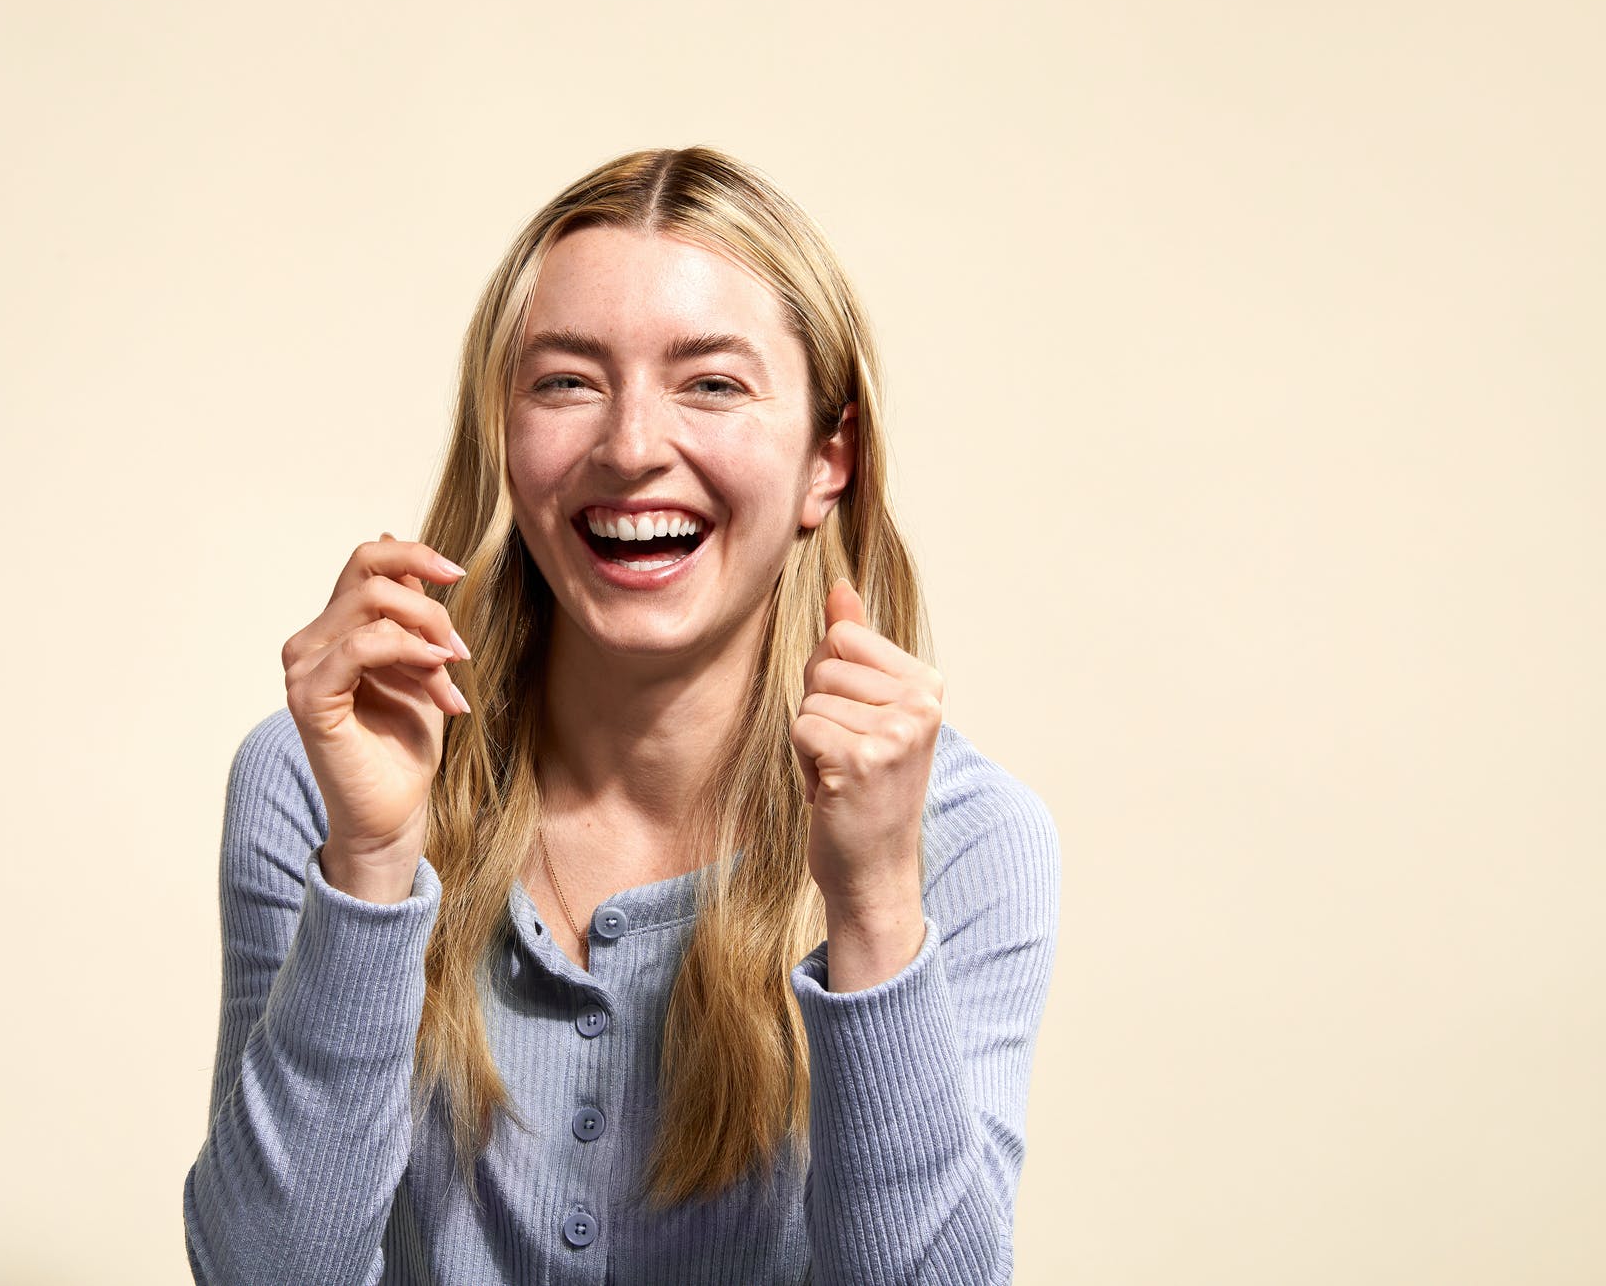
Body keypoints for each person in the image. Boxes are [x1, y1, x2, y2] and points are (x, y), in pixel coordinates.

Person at [182, 145, 1061, 1285]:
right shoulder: (317, 776)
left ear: (824, 461)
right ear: (503, 433)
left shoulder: (968, 838)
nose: (631, 446)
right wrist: (369, 864)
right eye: (565, 381)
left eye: (710, 383)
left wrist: (875, 903)